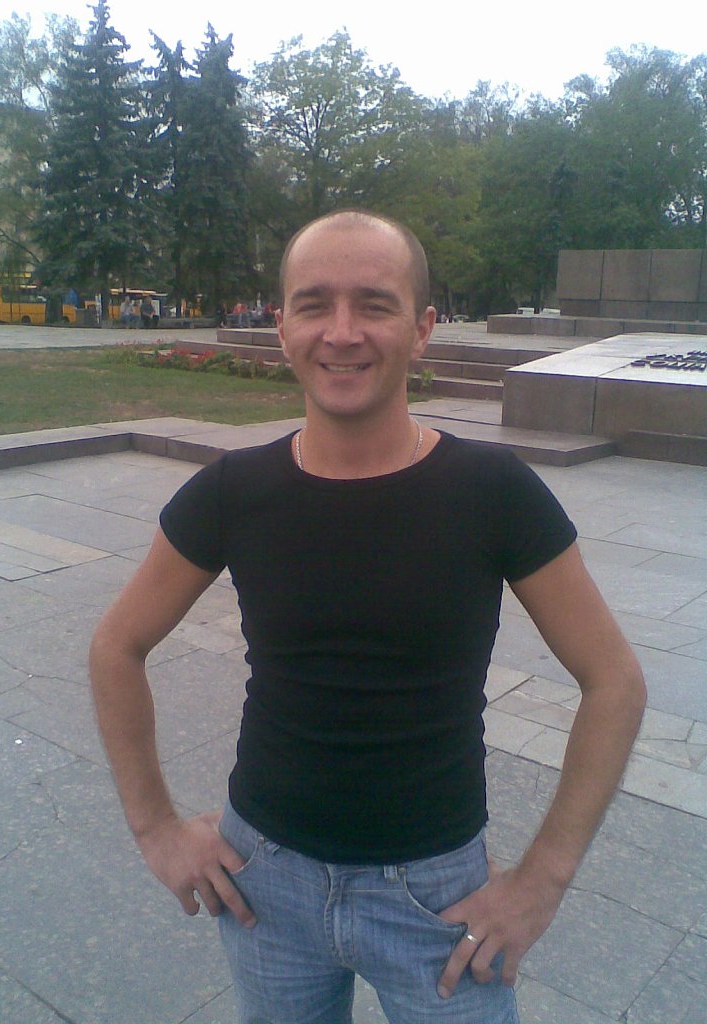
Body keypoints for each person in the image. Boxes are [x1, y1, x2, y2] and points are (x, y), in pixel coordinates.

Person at [90, 210, 646, 1024]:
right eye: (314, 303)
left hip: (438, 902)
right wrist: (154, 829)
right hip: (263, 885)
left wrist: (543, 880)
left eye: (374, 304)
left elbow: (614, 682)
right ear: (282, 325)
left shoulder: (492, 491)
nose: (342, 332)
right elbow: (117, 645)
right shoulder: (233, 491)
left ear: (421, 328)